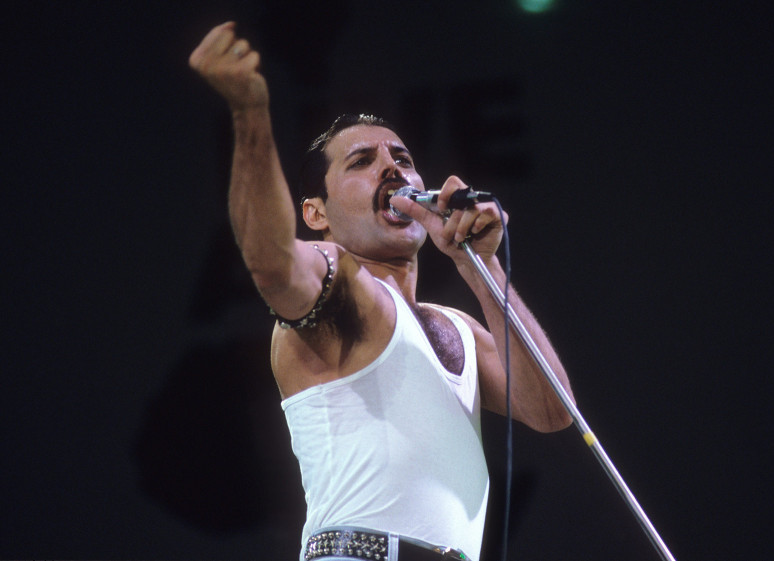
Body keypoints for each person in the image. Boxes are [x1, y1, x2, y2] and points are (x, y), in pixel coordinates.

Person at [189, 21, 574, 561]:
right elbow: (273, 266)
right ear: (316, 214)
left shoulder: (457, 324)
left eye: (403, 158)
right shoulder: (340, 280)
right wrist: (250, 113)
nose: (392, 167)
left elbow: (554, 410)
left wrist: (480, 265)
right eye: (362, 161)